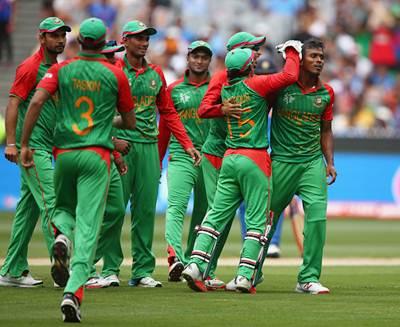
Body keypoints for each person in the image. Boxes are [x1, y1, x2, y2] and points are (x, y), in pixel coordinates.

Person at [20, 17, 135, 322]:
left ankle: (61, 237)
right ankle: (73, 291)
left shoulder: (61, 69)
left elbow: (35, 103)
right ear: (103, 44)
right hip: (96, 157)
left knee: (63, 209)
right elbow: (130, 121)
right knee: (88, 226)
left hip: (65, 154)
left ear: (80, 41)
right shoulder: (115, 75)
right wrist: (106, 121)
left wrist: (24, 143)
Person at [182, 43, 301, 293]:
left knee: (215, 215)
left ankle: (194, 264)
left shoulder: (226, 89)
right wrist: (292, 51)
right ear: (249, 68)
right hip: (254, 158)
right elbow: (290, 75)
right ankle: (245, 275)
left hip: (229, 158)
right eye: (253, 62)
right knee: (257, 220)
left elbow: (207, 109)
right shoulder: (256, 85)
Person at [115, 20, 201, 288]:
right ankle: (106, 268)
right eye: (138, 38)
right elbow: (102, 111)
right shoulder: (113, 71)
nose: (144, 42)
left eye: (146, 38)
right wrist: (111, 140)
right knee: (114, 209)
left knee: (144, 211)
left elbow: (168, 113)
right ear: (125, 41)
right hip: (120, 145)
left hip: (148, 146)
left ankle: (141, 270)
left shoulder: (156, 74)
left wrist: (186, 143)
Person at [0, 16, 71, 288]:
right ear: (41, 38)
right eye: (54, 35)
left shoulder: (56, 68)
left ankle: (12, 270)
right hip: (32, 148)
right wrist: (11, 143)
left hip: (43, 145)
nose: (60, 40)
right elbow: (13, 104)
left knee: (28, 209)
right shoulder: (31, 67)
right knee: (52, 203)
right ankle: (63, 268)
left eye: (62, 35)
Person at [196, 31, 266, 290]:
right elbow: (204, 109)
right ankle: (205, 269)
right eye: (254, 48)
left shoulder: (250, 79)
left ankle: (204, 268)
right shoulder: (222, 77)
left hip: (232, 153)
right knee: (220, 214)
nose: (258, 52)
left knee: (221, 213)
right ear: (241, 51)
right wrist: (221, 109)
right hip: (218, 153)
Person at [267, 37, 337, 294]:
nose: (319, 60)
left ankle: (308, 278)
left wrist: (329, 162)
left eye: (322, 57)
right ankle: (250, 271)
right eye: (313, 56)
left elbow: (326, 130)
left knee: (317, 218)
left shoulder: (326, 92)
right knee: (265, 219)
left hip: (311, 164)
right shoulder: (281, 88)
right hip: (282, 161)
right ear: (300, 59)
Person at [157, 40, 212, 282]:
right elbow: (166, 126)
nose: (199, 61)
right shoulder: (174, 90)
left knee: (204, 211)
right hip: (181, 155)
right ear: (188, 58)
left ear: (209, 60)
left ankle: (193, 261)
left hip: (210, 156)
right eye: (195, 56)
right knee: (177, 206)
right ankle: (174, 257)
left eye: (204, 57)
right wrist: (157, 161)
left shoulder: (217, 88)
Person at [85, 40, 129, 289]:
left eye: (115, 57)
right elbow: (86, 123)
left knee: (115, 210)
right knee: (90, 213)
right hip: (87, 154)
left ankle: (83, 261)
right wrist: (114, 142)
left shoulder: (109, 82)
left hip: (105, 152)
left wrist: (114, 152)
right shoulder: (86, 82)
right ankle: (84, 266)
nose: (115, 61)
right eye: (109, 57)